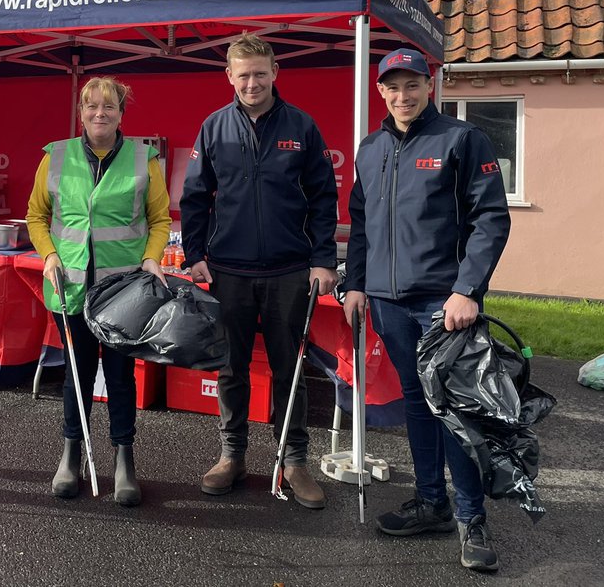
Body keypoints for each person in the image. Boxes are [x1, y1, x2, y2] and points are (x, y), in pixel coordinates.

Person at [343, 47, 511, 573]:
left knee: (454, 408)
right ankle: (431, 503)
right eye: (392, 86)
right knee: (417, 404)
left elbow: (491, 219)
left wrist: (467, 289)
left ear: (429, 84)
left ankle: (470, 517)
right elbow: (363, 223)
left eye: (411, 84)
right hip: (389, 302)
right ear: (381, 91)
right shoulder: (369, 149)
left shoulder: (461, 139)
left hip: (444, 302)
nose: (402, 95)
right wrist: (355, 285)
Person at [180, 33, 338, 508]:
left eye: (260, 74)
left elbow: (324, 198)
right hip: (228, 270)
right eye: (243, 74)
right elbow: (194, 197)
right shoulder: (213, 127)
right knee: (232, 368)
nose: (252, 82)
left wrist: (323, 258)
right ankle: (232, 455)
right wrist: (195, 254)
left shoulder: (302, 127)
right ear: (229, 76)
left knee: (291, 369)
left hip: (289, 270)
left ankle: (294, 461)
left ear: (275, 74)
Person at [26, 76, 171, 506]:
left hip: (123, 292)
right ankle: (72, 453)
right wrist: (49, 254)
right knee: (77, 374)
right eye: (91, 107)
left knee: (123, 378)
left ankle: (124, 459)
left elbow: (159, 219)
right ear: (82, 113)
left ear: (121, 114)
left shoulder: (145, 159)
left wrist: (151, 257)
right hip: (68, 288)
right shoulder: (56, 157)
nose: (99, 114)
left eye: (108, 107)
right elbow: (37, 215)